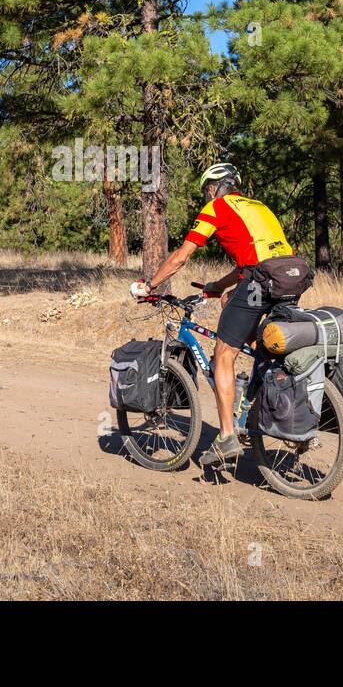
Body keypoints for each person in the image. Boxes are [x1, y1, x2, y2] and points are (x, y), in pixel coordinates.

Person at [132, 162, 298, 466]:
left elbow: (182, 255)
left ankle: (225, 438)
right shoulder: (259, 206)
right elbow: (252, 261)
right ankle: (252, 396)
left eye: (207, 191)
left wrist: (150, 284)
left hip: (259, 282)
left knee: (223, 353)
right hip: (290, 279)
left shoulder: (217, 208)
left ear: (214, 187)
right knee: (229, 301)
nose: (207, 196)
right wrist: (215, 286)